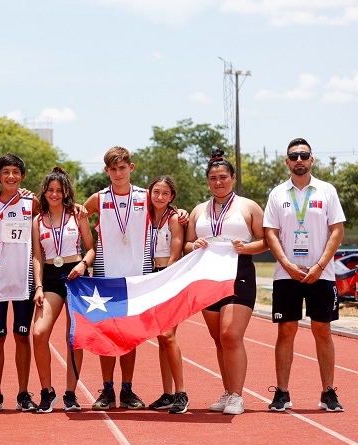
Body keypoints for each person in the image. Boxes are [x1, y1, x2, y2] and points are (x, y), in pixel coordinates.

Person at [263, 138, 346, 412]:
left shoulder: (327, 190)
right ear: (287, 161)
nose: (299, 160)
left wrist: (320, 265)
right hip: (287, 274)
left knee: (322, 330)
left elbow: (337, 230)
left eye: (304, 155)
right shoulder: (277, 194)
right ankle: (282, 393)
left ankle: (328, 392)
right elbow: (270, 233)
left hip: (320, 273)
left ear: (312, 160)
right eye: (294, 156)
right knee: (286, 330)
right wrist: (286, 264)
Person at [185, 149, 267, 415]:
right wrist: (192, 244)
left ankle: (238, 395)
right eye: (213, 178)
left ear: (232, 177)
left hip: (239, 275)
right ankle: (227, 390)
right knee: (219, 339)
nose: (218, 182)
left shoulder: (248, 206)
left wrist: (247, 247)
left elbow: (266, 241)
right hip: (207, 278)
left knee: (231, 334)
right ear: (208, 181)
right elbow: (186, 245)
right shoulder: (199, 210)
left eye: (223, 177)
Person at [82, 146, 150, 410]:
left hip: (135, 277)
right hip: (105, 277)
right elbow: (76, 217)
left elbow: (168, 213)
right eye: (113, 169)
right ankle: (107, 389)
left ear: (131, 168)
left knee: (129, 337)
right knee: (106, 335)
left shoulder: (145, 196)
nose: (118, 173)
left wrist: (180, 213)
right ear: (106, 170)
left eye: (123, 168)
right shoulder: (98, 198)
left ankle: (128, 389)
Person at [31, 167, 95, 413]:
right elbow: (37, 256)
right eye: (50, 190)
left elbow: (91, 248)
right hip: (50, 277)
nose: (55, 195)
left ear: (66, 192)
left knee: (74, 337)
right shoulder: (38, 221)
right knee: (39, 333)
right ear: (44, 192)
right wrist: (38, 286)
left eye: (59, 190)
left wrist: (82, 264)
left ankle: (70, 394)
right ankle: (47, 392)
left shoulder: (77, 215)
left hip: (76, 275)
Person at [0, 153, 39, 413]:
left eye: (16, 172)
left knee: (22, 336)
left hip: (24, 277)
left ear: (22, 176)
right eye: (6, 172)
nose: (11, 177)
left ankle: (24, 393)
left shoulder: (31, 201)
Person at [144, 176, 188, 414]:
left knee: (168, 335)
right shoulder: (145, 216)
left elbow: (176, 251)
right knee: (161, 338)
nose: (159, 197)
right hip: (149, 276)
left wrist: (165, 279)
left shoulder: (174, 218)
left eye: (165, 193)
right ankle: (167, 393)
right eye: (156, 192)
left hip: (169, 277)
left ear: (172, 196)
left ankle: (181, 392)